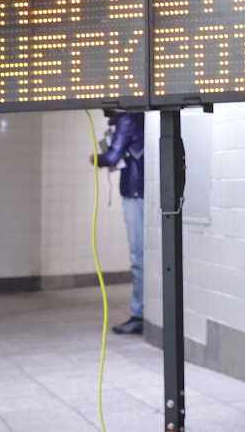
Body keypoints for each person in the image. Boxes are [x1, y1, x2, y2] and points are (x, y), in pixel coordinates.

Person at [93, 109, 146, 335]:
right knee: (142, 256)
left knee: (138, 256)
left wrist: (96, 158)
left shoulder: (127, 118)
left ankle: (139, 313)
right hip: (140, 189)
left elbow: (112, 156)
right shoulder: (139, 117)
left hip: (135, 191)